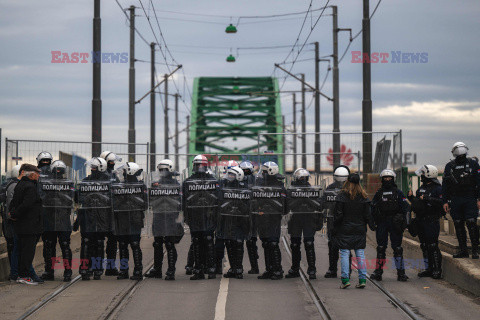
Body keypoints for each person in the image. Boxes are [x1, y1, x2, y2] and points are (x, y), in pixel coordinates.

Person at [332, 173, 375, 289]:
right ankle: (362, 279)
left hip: (345, 228)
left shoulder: (342, 196)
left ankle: (345, 279)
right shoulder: (364, 197)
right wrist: (372, 226)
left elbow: (338, 215)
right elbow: (368, 215)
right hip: (359, 229)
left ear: (347, 182)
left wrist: (335, 227)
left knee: (345, 253)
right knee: (360, 253)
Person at [146, 159, 184, 280]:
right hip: (158, 215)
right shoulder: (155, 184)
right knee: (157, 243)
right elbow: (150, 201)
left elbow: (180, 202)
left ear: (170, 170)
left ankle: (171, 271)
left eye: (164, 170)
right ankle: (157, 269)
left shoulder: (176, 185)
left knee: (169, 243)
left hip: (171, 217)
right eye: (160, 170)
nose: (162, 172)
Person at [183, 155, 219, 280]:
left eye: (200, 165)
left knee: (204, 242)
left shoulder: (188, 182)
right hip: (202, 218)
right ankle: (207, 270)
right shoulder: (213, 181)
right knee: (203, 242)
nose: (199, 168)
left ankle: (204, 270)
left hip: (202, 217)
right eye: (198, 165)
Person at [370, 169, 410, 282]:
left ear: (393, 179)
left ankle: (401, 273)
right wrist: (372, 221)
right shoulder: (379, 193)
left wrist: (406, 223)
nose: (387, 180)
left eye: (389, 178)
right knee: (381, 248)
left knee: (397, 248)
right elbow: (372, 208)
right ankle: (378, 272)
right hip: (382, 222)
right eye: (385, 178)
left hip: (395, 222)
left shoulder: (398, 192)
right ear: (382, 179)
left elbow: (406, 208)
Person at [442, 142, 480, 259]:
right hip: (456, 198)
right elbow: (445, 185)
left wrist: (478, 198)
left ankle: (475, 250)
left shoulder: (473, 164)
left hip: (470, 198)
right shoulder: (450, 166)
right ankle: (463, 250)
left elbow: (479, 182)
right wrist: (445, 201)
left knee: (471, 223)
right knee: (458, 224)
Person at [76, 157, 112, 280]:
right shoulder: (85, 181)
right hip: (89, 215)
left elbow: (113, 200)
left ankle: (96, 269)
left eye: (94, 168)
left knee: (98, 242)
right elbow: (79, 199)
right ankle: (86, 268)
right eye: (91, 167)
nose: (92, 170)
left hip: (102, 216)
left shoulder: (109, 182)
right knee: (87, 242)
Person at [40, 160, 74, 281]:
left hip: (51, 219)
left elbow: (42, 199)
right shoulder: (69, 184)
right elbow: (71, 200)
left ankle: (50, 271)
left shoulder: (45, 183)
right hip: (61, 219)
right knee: (64, 246)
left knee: (50, 246)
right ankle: (67, 271)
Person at [10, 164, 43, 285]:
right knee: (27, 252)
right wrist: (16, 213)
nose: (39, 175)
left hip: (21, 225)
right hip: (30, 225)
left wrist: (12, 213)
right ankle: (24, 276)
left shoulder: (20, 184)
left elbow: (14, 202)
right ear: (31, 174)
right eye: (37, 173)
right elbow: (26, 205)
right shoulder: (30, 187)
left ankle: (18, 274)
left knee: (20, 250)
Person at [285, 168, 322, 280]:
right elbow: (288, 205)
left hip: (308, 218)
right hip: (295, 219)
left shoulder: (312, 190)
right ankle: (295, 269)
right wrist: (301, 199)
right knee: (295, 244)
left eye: (304, 178)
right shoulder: (291, 190)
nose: (303, 180)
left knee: (309, 243)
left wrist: (305, 197)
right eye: (301, 178)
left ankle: (312, 270)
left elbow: (318, 205)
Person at [252, 161, 286, 280]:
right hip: (262, 217)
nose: (263, 174)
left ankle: (277, 270)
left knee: (273, 243)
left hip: (273, 218)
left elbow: (285, 205)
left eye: (265, 171)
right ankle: (269, 269)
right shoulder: (260, 184)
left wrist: (278, 213)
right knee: (265, 243)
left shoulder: (279, 186)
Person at [408, 165, 443, 279]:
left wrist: (428, 198)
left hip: (431, 220)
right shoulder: (421, 188)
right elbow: (419, 204)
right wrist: (411, 198)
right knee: (424, 245)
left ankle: (437, 269)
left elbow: (442, 202)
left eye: (423, 174)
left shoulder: (438, 188)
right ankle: (428, 269)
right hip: (421, 220)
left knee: (433, 245)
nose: (421, 176)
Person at [113, 162, 146, 280]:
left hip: (125, 220)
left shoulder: (120, 186)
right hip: (132, 219)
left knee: (124, 246)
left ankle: (125, 271)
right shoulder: (141, 186)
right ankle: (136, 270)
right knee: (132, 245)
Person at [217, 166, 250, 279]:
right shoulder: (224, 187)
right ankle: (233, 268)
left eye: (232, 175)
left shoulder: (245, 188)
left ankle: (238, 268)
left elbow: (248, 205)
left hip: (240, 220)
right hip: (227, 219)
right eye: (229, 174)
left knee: (238, 244)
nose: (230, 177)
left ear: (239, 176)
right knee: (229, 243)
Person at [321, 165, 350, 278]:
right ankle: (344, 270)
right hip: (341, 220)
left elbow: (323, 203)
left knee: (334, 245)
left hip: (333, 220)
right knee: (344, 245)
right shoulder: (350, 188)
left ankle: (333, 269)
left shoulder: (330, 188)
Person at [215, 159, 240, 274]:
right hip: (224, 217)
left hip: (232, 218)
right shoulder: (221, 183)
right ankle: (223, 267)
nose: (231, 175)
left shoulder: (239, 185)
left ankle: (234, 268)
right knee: (222, 243)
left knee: (232, 243)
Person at [100, 151, 122, 276]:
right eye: (110, 162)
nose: (112, 165)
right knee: (98, 242)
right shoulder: (99, 175)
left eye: (113, 162)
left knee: (113, 241)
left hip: (112, 212)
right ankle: (97, 267)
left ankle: (110, 267)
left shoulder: (114, 175)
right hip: (101, 212)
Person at [240, 160, 259, 274]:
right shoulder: (257, 180)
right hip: (253, 214)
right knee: (252, 241)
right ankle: (254, 266)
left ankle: (238, 267)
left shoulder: (237, 180)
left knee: (240, 241)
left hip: (242, 213)